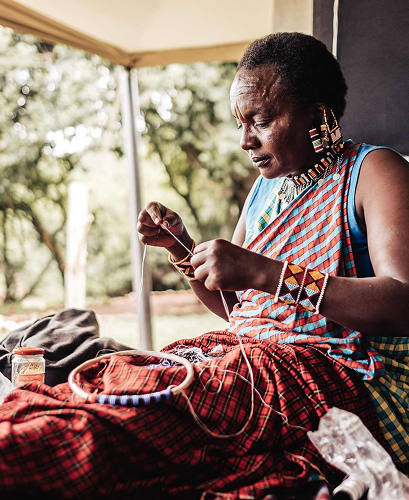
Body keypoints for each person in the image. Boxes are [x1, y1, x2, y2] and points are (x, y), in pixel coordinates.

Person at [138, 32, 409, 471]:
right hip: (257, 353)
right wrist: (182, 247)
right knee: (148, 385)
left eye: (261, 121)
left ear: (316, 114)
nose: (246, 141)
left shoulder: (375, 170)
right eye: (239, 123)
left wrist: (266, 272)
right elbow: (243, 310)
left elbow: (403, 302)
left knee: (166, 418)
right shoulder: (266, 189)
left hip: (344, 371)